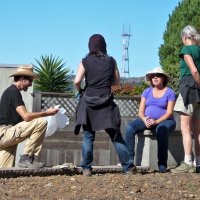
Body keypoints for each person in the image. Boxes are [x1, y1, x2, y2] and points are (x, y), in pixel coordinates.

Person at [74, 34, 136, 176]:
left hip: (88, 101)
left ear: (90, 46)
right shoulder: (111, 61)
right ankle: (128, 167)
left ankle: (86, 168)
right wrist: (105, 83)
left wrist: (81, 91)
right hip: (106, 101)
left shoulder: (85, 61)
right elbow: (116, 82)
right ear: (104, 46)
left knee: (88, 135)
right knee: (115, 135)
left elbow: (77, 81)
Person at [0, 65, 59, 168]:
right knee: (41, 121)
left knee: (6, 171)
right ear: (22, 79)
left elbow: (24, 119)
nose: (31, 84)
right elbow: (26, 116)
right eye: (30, 81)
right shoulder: (13, 92)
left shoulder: (10, 92)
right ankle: (27, 158)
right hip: (5, 133)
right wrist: (47, 113)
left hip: (5, 136)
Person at [125, 67, 176, 173]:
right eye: (153, 76)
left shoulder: (169, 92)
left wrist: (157, 121)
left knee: (161, 130)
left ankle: (162, 165)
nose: (155, 77)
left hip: (165, 121)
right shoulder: (146, 92)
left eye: (158, 75)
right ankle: (129, 162)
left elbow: (169, 112)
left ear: (163, 78)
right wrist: (144, 119)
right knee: (130, 128)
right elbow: (140, 111)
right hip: (147, 119)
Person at [172, 25, 200, 173]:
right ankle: (199, 163)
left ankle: (188, 162)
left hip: (189, 88)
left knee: (185, 128)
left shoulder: (186, 50)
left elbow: (194, 70)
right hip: (199, 94)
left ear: (184, 37)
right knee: (198, 131)